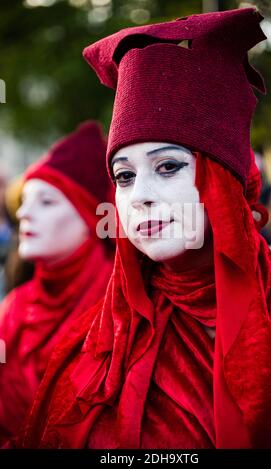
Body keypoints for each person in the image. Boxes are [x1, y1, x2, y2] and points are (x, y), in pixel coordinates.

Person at [18, 8, 271, 449]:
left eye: (168, 167)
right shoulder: (98, 339)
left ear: (223, 184)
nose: (140, 195)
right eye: (124, 177)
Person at [0, 121, 114, 445]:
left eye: (46, 201)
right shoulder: (12, 309)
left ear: (91, 218)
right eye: (24, 200)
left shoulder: (123, 308)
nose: (23, 213)